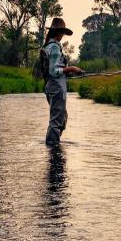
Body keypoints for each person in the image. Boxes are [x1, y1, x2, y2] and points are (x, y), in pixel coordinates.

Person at [41, 17, 82, 145]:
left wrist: (67, 72)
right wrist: (71, 68)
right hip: (56, 88)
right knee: (56, 121)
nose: (63, 35)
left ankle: (55, 145)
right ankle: (53, 148)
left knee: (62, 118)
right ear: (57, 32)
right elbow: (53, 72)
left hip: (52, 87)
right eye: (62, 32)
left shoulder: (49, 46)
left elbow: (55, 69)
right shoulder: (54, 48)